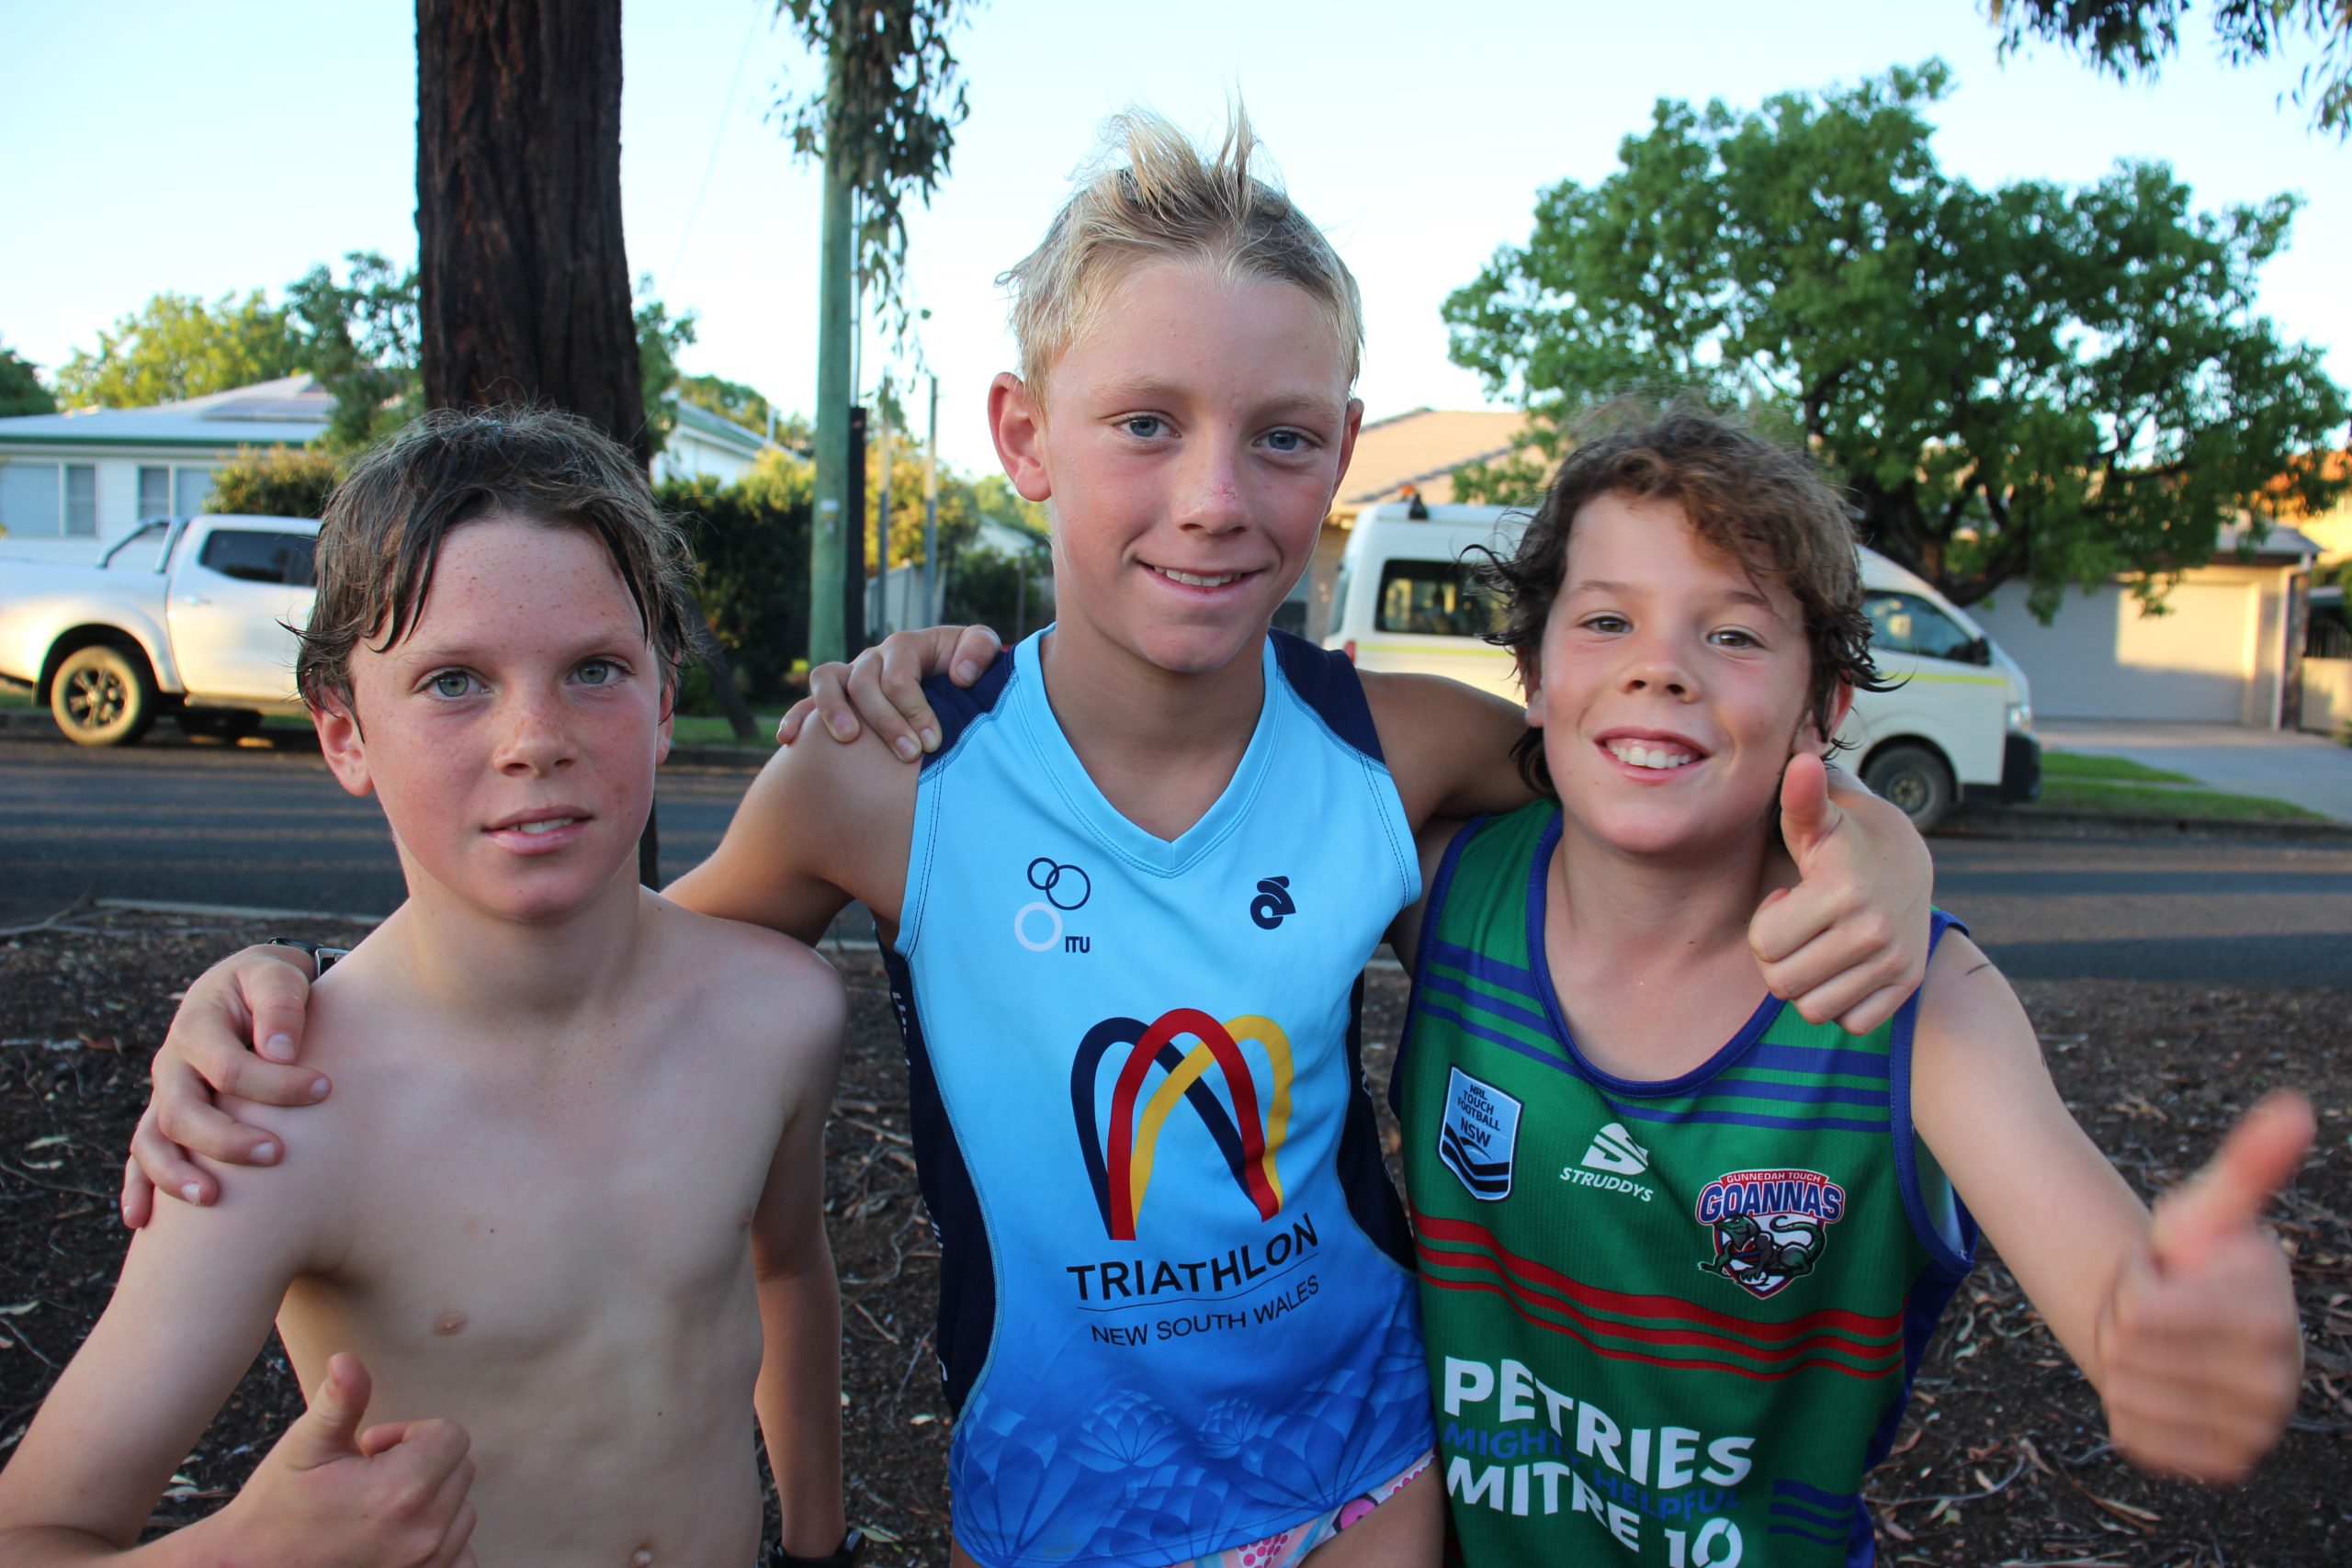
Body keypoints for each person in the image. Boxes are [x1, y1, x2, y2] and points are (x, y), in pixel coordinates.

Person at [121, 115, 1932, 1568]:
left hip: (1376, 1460)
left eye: (1279, 437)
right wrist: (278, 988)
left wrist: (1879, 850)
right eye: (1144, 422)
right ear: (1022, 438)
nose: (1213, 497)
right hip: (1059, 1501)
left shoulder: (1413, 745)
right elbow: (590, 964)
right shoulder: (882, 773)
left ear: (1340, 457)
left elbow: (1678, 788)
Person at [1380, 408, 2312, 1564]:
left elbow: (2100, 1269)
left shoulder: (1920, 1001)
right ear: (1530, 671)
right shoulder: (1437, 894)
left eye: (1732, 635)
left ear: (1823, 705)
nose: (1657, 664)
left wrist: (2154, 1332)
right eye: (1606, 618)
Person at [3, 408, 851, 1568]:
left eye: (594, 669)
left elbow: (786, 1267)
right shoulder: (275, 1114)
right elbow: (35, 1530)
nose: (533, 738)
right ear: (344, 734)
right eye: (454, 681)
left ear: (663, 702)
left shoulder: (781, 1014)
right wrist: (249, 1551)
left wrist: (817, 1541)